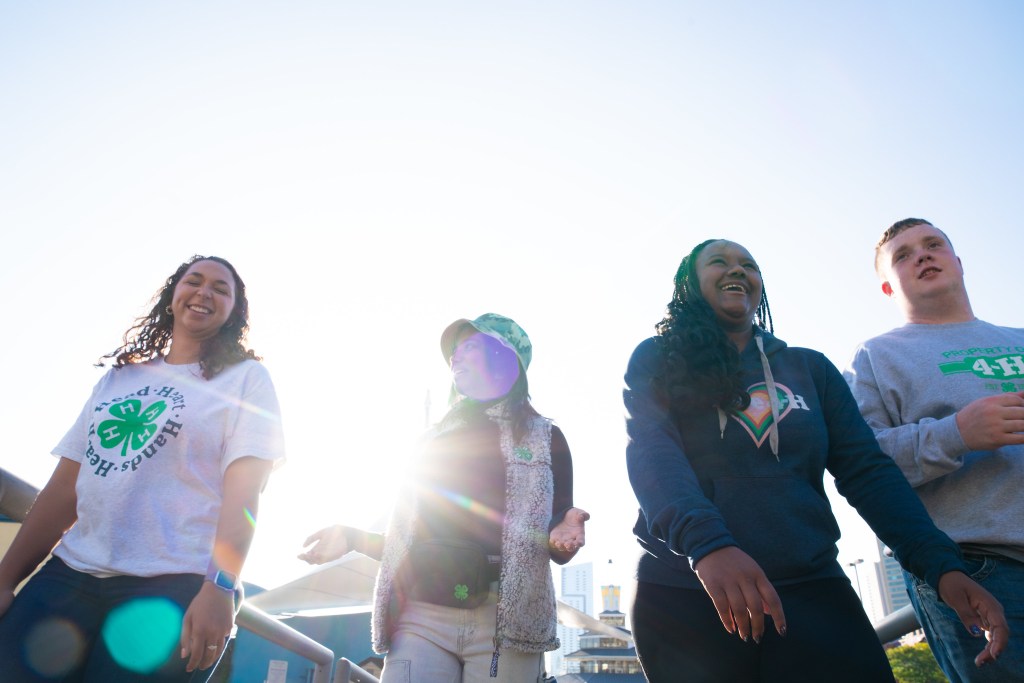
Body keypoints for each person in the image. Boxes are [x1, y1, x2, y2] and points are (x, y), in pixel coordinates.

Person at [623, 238, 1008, 682]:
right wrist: (709, 545)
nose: (737, 270)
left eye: (749, 264)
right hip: (684, 591)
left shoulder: (811, 370)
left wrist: (941, 565)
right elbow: (652, 453)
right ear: (689, 284)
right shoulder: (657, 358)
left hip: (810, 587)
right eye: (719, 262)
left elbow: (869, 473)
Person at [0, 255, 286, 682]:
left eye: (221, 289)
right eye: (194, 280)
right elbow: (64, 490)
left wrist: (221, 587)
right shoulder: (119, 380)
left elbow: (243, 497)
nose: (204, 291)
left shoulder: (246, 380)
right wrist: (5, 578)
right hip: (71, 574)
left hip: (170, 585)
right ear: (172, 298)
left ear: (233, 313)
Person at [300, 313, 589, 683]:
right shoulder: (429, 442)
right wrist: (352, 538)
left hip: (506, 622)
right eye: (454, 351)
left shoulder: (546, 438)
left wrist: (565, 533)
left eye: (470, 347)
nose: (455, 357)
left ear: (506, 359)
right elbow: (406, 543)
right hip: (421, 617)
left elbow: (557, 536)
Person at [845, 218, 1024, 682]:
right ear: (887, 287)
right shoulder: (875, 358)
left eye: (933, 245)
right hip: (979, 569)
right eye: (903, 255)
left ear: (958, 263)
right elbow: (864, 464)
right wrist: (957, 432)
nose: (922, 255)